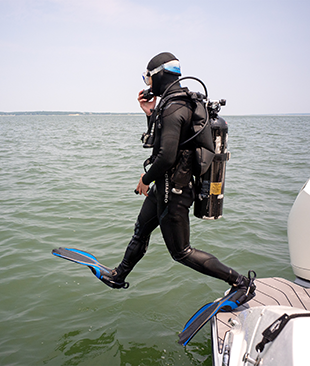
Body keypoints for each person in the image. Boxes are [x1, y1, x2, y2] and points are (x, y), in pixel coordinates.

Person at [102, 52, 256, 303]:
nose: (147, 84)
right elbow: (164, 141)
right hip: (164, 186)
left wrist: (146, 179)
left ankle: (241, 283)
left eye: (147, 78)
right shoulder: (176, 103)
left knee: (181, 252)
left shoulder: (174, 107)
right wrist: (150, 113)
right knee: (141, 230)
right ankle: (120, 275)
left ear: (159, 75)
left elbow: (165, 156)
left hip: (174, 189)